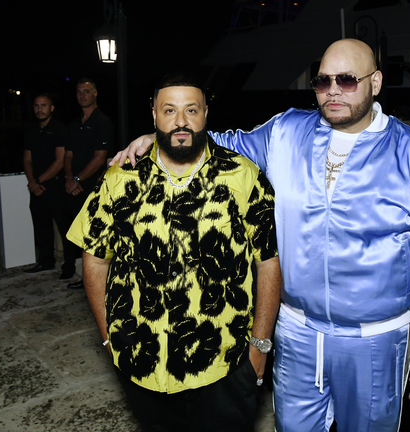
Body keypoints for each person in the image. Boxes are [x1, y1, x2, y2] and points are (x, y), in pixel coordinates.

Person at [112, 39, 410, 432]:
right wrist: (169, 137)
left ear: (376, 82)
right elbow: (226, 146)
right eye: (323, 81)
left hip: (377, 341)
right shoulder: (286, 131)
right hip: (297, 334)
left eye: (348, 80)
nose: (333, 90)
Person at [66, 72, 282, 432]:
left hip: (223, 365)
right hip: (142, 363)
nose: (181, 121)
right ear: (154, 115)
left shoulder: (242, 176)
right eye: (169, 110)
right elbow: (96, 258)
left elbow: (268, 262)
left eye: (191, 110)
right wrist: (108, 338)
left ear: (205, 113)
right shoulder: (121, 178)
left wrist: (259, 347)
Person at [63, 78, 114, 289]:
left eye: (86, 91)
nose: (82, 95)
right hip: (74, 188)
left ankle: (97, 282)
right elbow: (68, 155)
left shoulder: (102, 122)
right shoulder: (75, 124)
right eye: (78, 92)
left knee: (94, 238)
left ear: (95, 94)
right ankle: (87, 279)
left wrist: (76, 179)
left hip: (94, 188)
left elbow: (100, 158)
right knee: (80, 236)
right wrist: (68, 179)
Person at [22, 93, 77, 279]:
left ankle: (69, 267)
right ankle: (45, 261)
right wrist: (32, 182)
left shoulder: (60, 129)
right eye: (36, 106)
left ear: (51, 108)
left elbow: (60, 161)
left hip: (55, 186)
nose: (39, 109)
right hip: (36, 187)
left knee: (64, 228)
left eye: (43, 105)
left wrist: (38, 181)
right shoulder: (31, 131)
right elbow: (27, 159)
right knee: (41, 225)